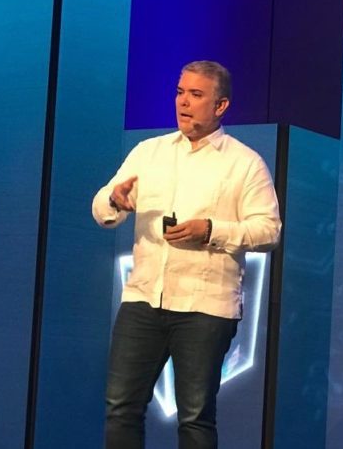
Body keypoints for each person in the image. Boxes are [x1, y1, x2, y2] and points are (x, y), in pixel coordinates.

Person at [92, 60, 281, 449]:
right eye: (180, 92)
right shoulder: (149, 152)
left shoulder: (245, 163)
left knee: (195, 417)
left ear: (221, 105)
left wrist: (210, 231)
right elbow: (101, 208)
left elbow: (268, 230)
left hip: (205, 308)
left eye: (196, 94)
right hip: (144, 299)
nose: (183, 102)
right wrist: (114, 200)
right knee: (121, 408)